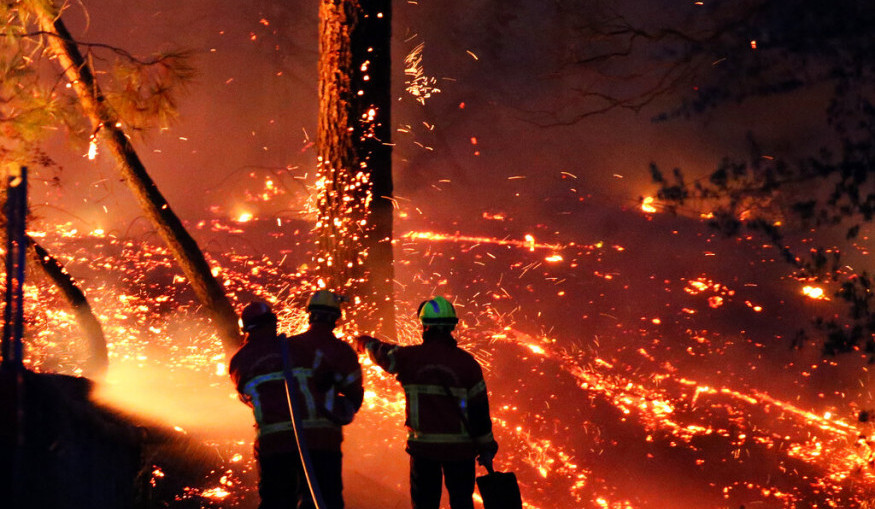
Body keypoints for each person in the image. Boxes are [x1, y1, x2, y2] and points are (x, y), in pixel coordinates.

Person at [355, 296, 499, 509]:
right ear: (452, 326)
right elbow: (479, 412)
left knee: (424, 504)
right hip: (460, 452)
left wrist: (362, 343)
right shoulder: (468, 364)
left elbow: (381, 353)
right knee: (462, 503)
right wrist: (487, 448)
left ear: (424, 326)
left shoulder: (409, 358)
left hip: (423, 451)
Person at [230, 292, 363, 509]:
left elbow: (247, 397)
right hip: (317, 442)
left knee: (276, 503)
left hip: (271, 446)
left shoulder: (239, 361)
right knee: (321, 500)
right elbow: (345, 389)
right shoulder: (295, 348)